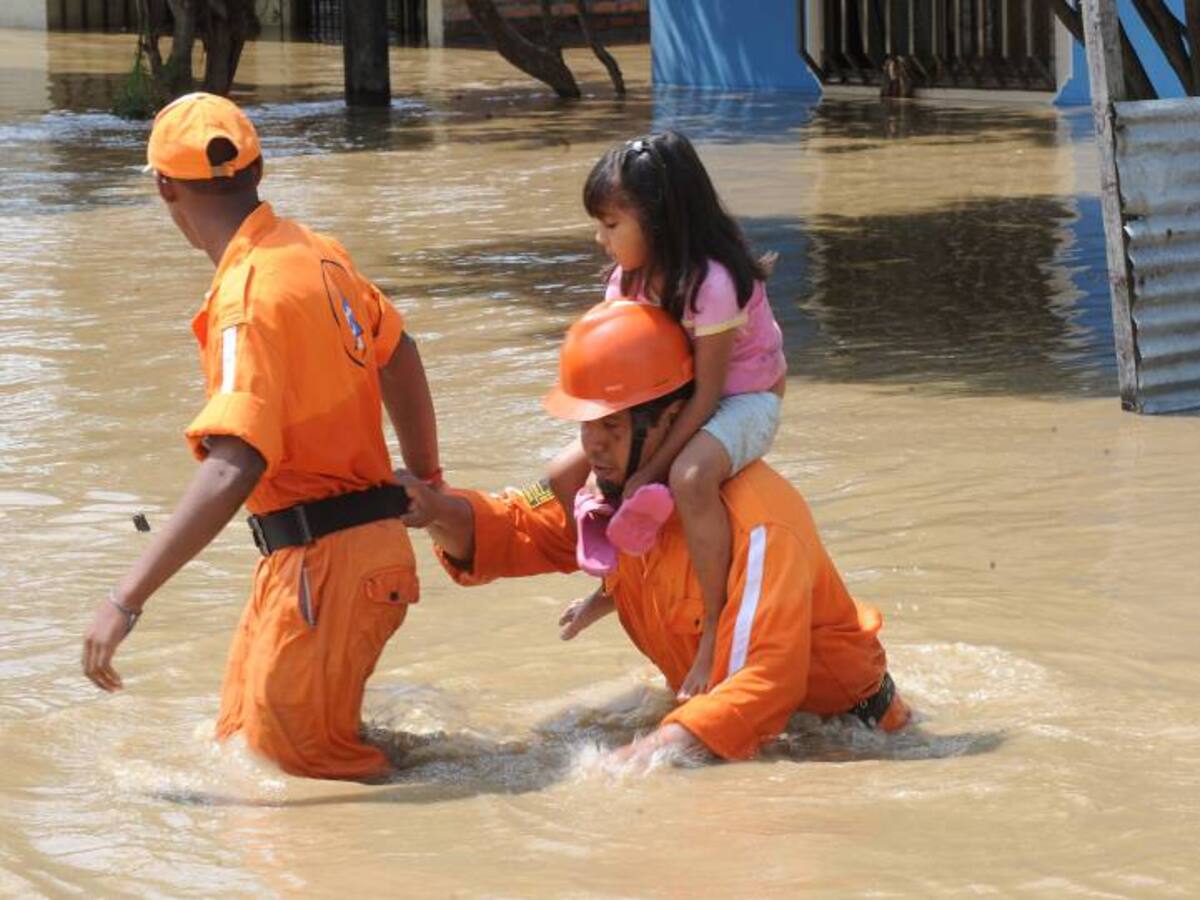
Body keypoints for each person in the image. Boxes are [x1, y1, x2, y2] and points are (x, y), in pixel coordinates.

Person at [80, 92, 442, 781]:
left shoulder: (245, 298)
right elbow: (399, 352)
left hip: (323, 567)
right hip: (344, 559)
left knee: (305, 793)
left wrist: (124, 599)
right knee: (245, 749)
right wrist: (428, 477)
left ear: (163, 187)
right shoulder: (318, 252)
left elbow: (233, 464)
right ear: (260, 167)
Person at [399, 301, 910, 766]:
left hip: (846, 742)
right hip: (727, 715)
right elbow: (511, 530)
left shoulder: (758, 521)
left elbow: (763, 685)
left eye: (613, 428)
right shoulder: (602, 492)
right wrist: (435, 509)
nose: (592, 447)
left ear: (671, 420)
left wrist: (628, 763)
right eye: (585, 426)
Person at [547, 131, 787, 701]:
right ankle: (618, 584)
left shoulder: (713, 283)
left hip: (742, 399)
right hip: (669, 400)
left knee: (690, 478)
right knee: (559, 477)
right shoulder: (624, 282)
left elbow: (708, 397)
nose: (600, 238)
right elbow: (616, 374)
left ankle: (712, 632)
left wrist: (647, 471)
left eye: (611, 225)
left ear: (656, 220)